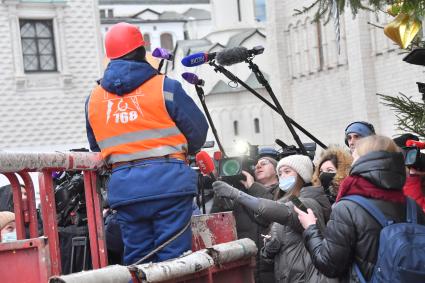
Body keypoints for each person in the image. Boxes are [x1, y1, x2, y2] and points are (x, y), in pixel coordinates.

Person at [85, 22, 208, 265]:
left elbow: (95, 145)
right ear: (143, 51)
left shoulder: (94, 99)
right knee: (175, 262)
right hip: (170, 186)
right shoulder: (166, 87)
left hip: (126, 191)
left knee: (138, 261)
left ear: (109, 57)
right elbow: (198, 133)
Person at [295, 135, 425, 281]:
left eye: (355, 156)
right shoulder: (412, 206)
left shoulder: (346, 208)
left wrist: (311, 228)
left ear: (364, 161)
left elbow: (329, 265)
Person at [213, 154, 334, 283]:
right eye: (280, 173)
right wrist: (269, 247)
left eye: (287, 172)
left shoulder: (307, 202)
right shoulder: (290, 200)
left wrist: (237, 194)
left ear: (302, 175)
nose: (283, 176)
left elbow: (285, 212)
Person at [211, 155, 280, 283]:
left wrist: (253, 187)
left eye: (264, 163)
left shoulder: (282, 191)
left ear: (277, 170)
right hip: (246, 263)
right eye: (257, 164)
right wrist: (222, 194)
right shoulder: (241, 193)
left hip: (270, 267)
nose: (258, 166)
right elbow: (218, 222)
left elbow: (267, 217)